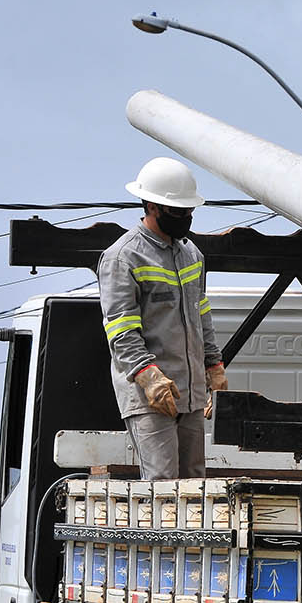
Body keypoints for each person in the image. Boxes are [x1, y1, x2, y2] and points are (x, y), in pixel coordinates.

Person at [98, 157, 228, 480]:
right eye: (178, 211)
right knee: (163, 486)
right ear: (151, 206)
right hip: (149, 396)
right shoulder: (123, 257)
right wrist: (149, 378)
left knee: (195, 486)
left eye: (189, 211)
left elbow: (201, 315)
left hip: (191, 392)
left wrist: (214, 366)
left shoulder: (191, 255)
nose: (186, 218)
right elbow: (122, 332)